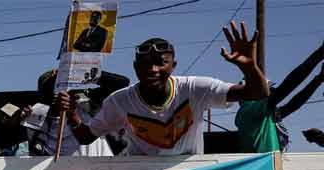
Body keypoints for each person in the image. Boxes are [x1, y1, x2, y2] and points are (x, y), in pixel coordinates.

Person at [64, 21, 270, 155]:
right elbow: (86, 137)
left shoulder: (194, 88)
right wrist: (72, 114)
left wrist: (249, 67)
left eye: (160, 62)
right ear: (135, 68)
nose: (153, 69)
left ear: (174, 66)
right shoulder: (119, 101)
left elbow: (259, 93)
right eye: (145, 64)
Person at [236, 43, 324, 152]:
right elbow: (286, 88)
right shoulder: (250, 111)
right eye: (266, 90)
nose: (269, 93)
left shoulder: (264, 116)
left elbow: (293, 104)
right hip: (265, 167)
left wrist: (319, 79)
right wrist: (319, 54)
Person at [20, 69, 125, 157]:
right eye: (53, 85)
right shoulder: (34, 118)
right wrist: (20, 120)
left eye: (62, 82)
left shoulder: (85, 100)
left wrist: (86, 73)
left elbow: (121, 84)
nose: (60, 90)